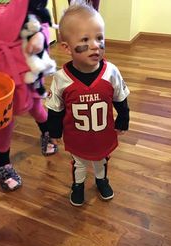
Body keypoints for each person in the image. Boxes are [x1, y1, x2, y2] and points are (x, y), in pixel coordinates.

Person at [46, 1, 130, 206]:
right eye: (85, 39)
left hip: (103, 133)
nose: (95, 45)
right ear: (66, 47)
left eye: (100, 38)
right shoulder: (61, 79)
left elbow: (121, 97)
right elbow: (55, 109)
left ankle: (102, 180)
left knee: (101, 161)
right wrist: (54, 133)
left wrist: (123, 119)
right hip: (77, 137)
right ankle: (78, 185)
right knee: (80, 164)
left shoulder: (111, 72)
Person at [0, 0, 57, 192]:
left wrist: (41, 35)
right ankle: (3, 165)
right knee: (3, 119)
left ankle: (47, 133)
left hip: (24, 61)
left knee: (36, 106)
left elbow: (39, 15)